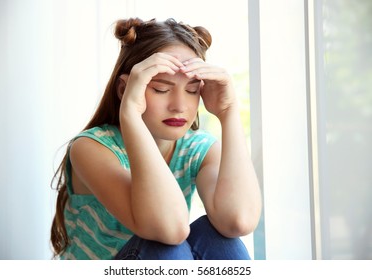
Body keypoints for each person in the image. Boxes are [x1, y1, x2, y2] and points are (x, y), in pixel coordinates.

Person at [50, 17, 262, 260]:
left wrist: (228, 111)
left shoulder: (196, 148)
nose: (179, 106)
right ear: (125, 89)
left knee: (221, 240)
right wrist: (129, 112)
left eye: (192, 90)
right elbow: (169, 229)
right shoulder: (90, 148)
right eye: (161, 89)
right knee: (166, 246)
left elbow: (239, 220)